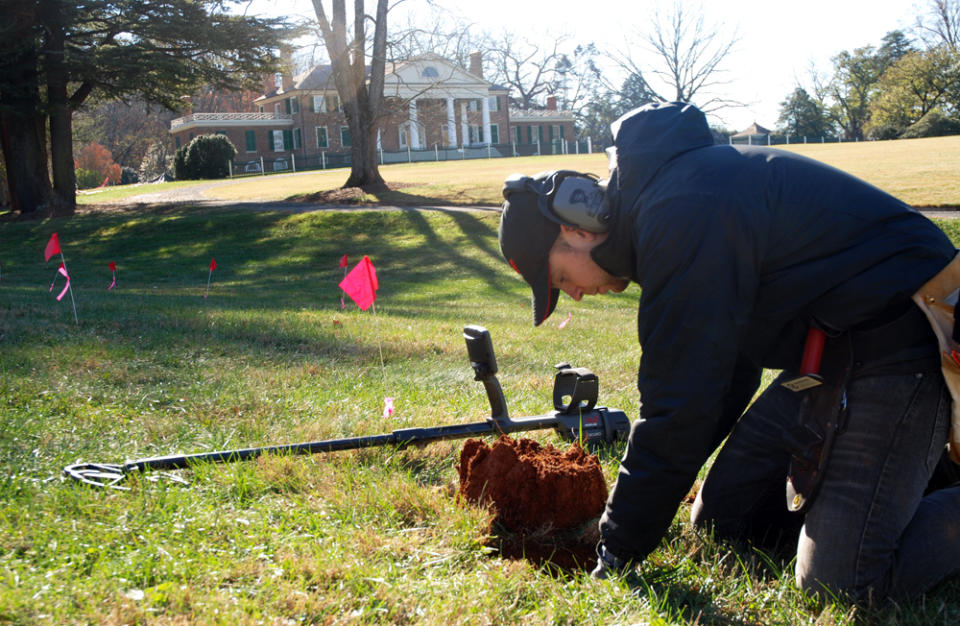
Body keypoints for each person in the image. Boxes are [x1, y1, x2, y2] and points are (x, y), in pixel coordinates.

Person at [497, 101, 960, 603]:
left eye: (562, 280)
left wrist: (616, 549)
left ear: (575, 228)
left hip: (905, 341)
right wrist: (647, 507)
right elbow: (721, 382)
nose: (577, 295)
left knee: (842, 585)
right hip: (835, 353)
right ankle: (914, 477)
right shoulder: (668, 203)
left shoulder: (680, 211)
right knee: (726, 522)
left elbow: (680, 404)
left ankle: (913, 476)